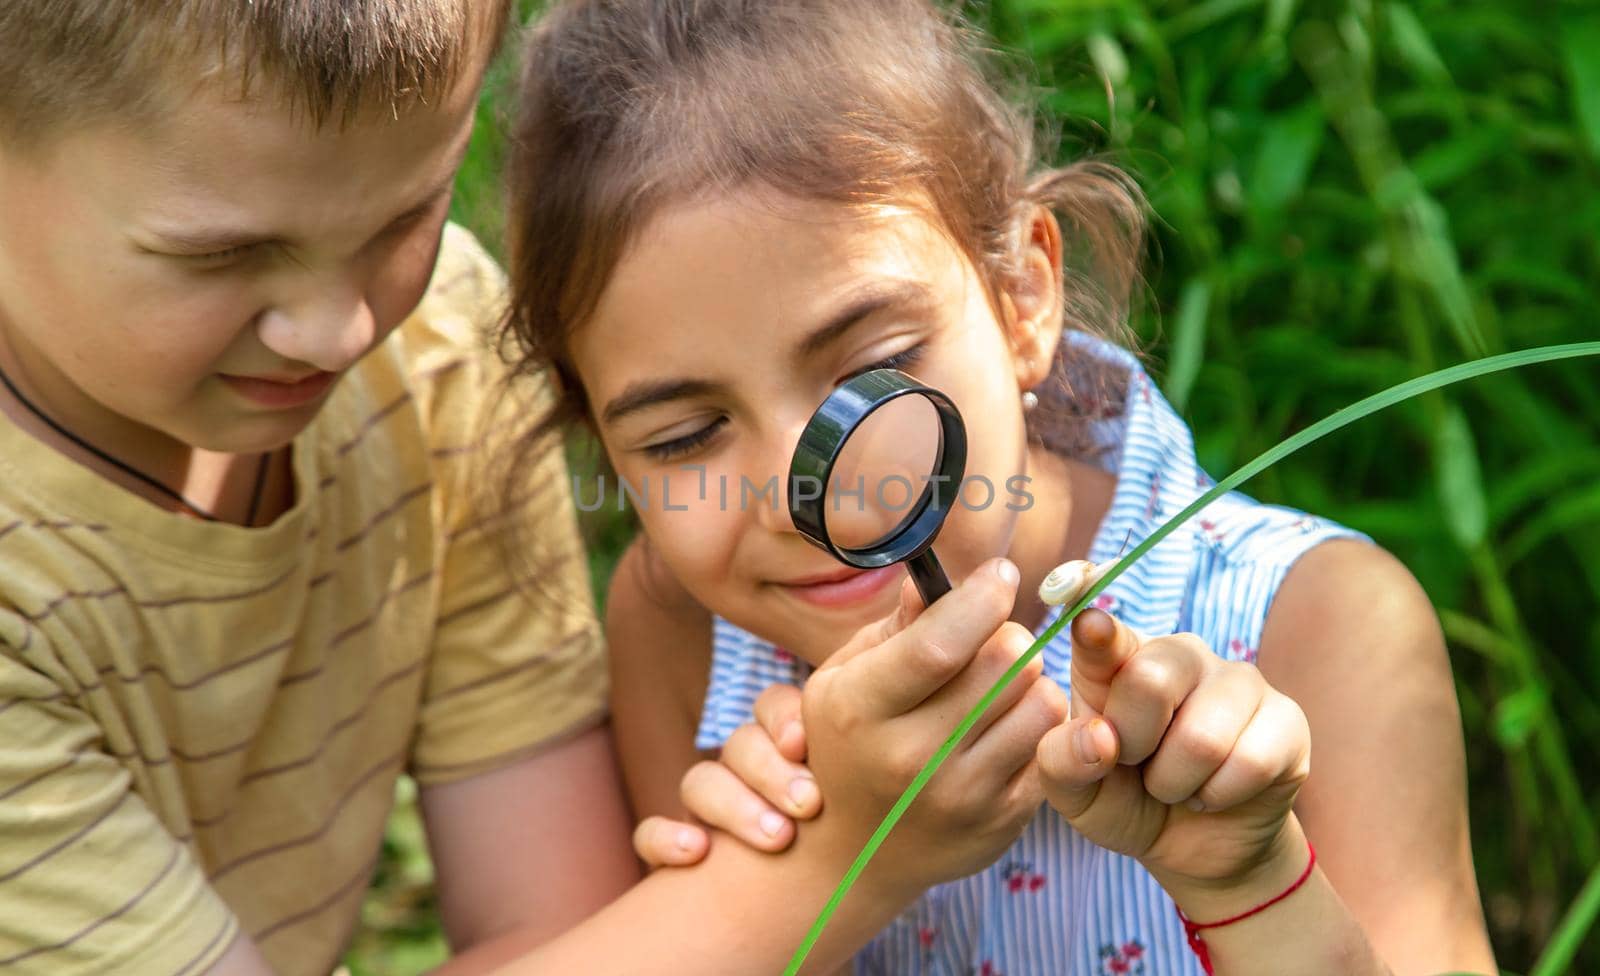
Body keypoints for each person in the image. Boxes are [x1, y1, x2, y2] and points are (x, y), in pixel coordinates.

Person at [0, 1, 1072, 974]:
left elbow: (550, 921)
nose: (340, 330)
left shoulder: (433, 349)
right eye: (220, 256)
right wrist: (836, 857)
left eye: (400, 221)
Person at [499, 0, 1500, 972]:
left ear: (1021, 295)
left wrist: (1252, 878)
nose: (813, 504)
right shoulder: (681, 629)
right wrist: (812, 866)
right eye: (684, 435)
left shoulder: (1317, 625)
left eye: (870, 370)